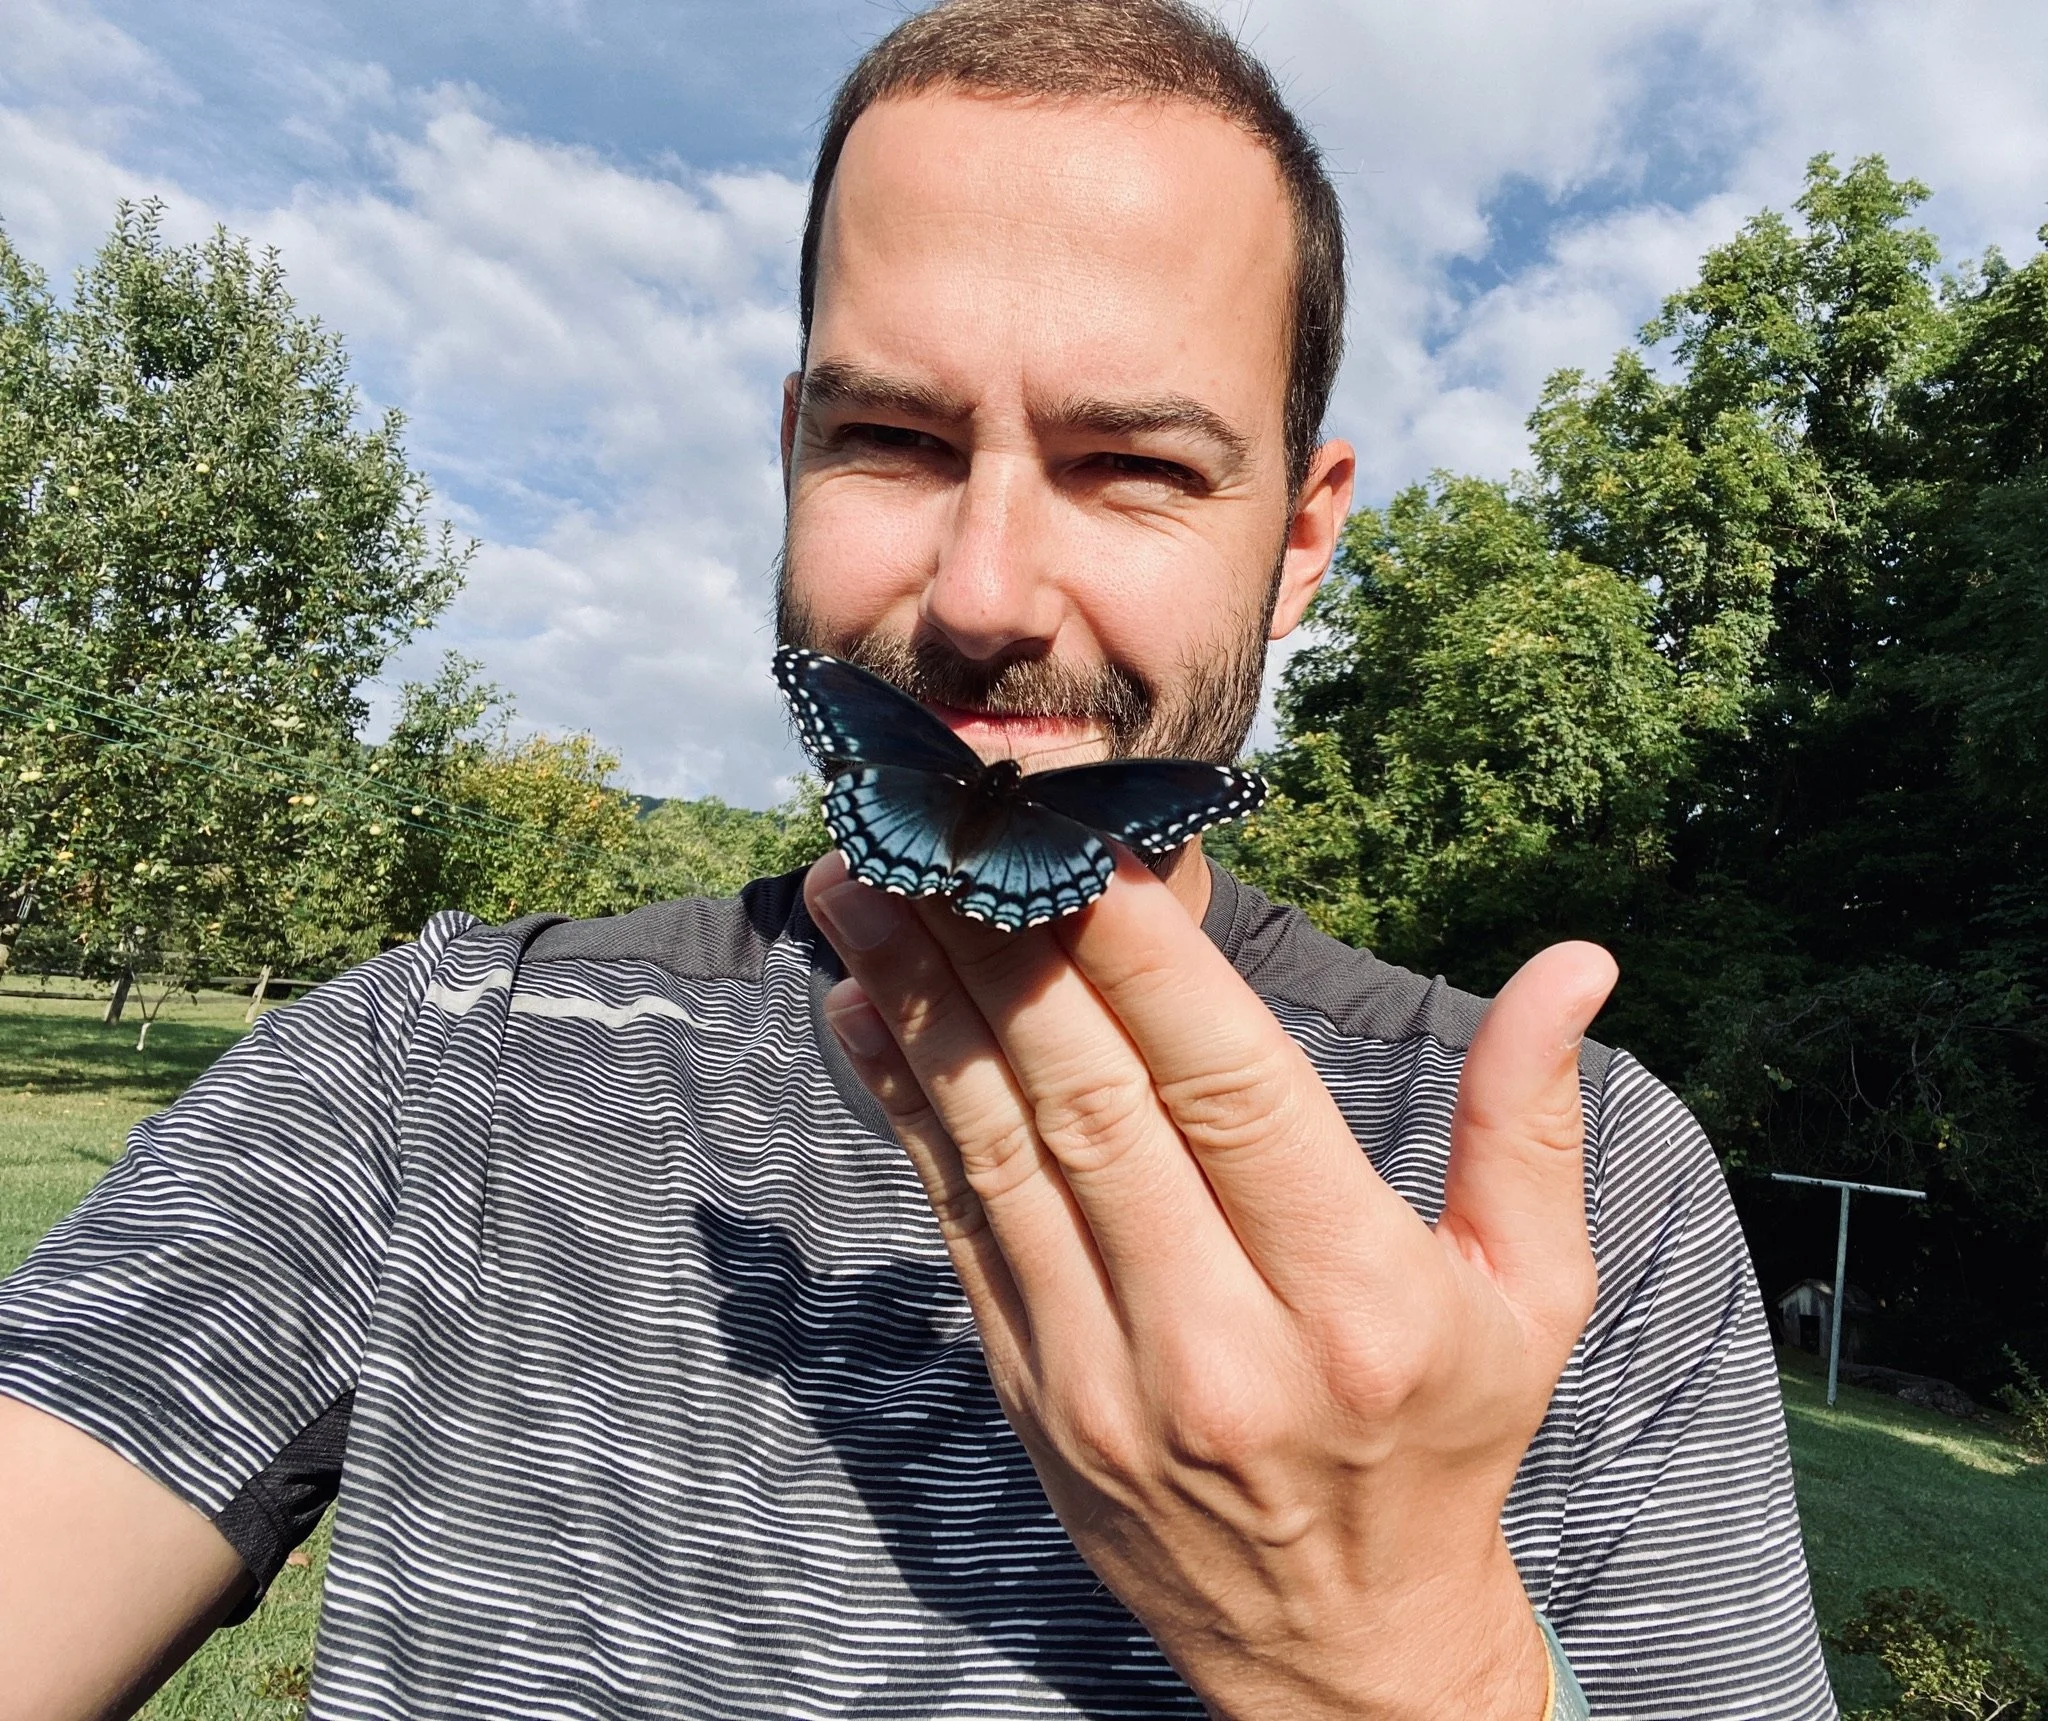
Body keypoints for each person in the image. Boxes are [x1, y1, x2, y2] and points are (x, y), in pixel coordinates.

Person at [0, 3, 1838, 1717]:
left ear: (1299, 537)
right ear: (795, 447)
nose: (980, 596)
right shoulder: (431, 1066)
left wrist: (1395, 1649)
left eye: (1135, 466)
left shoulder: (1582, 1202)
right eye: (892, 437)